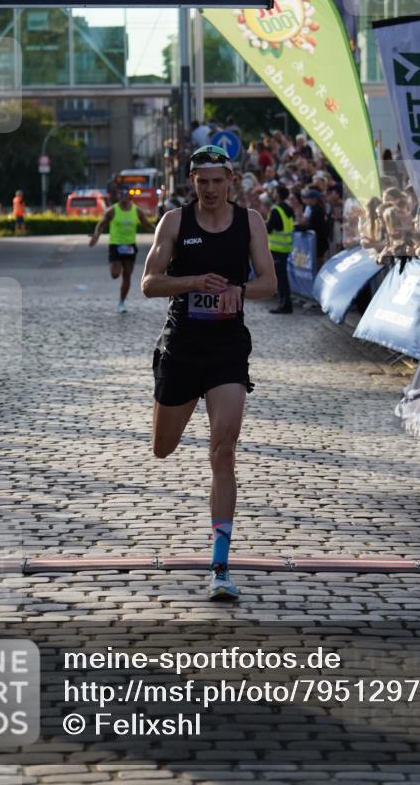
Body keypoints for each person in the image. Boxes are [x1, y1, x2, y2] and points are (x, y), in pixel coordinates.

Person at [141, 144, 277, 601]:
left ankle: (220, 566)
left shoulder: (250, 221)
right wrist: (194, 283)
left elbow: (269, 283)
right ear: (193, 182)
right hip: (181, 347)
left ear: (231, 180)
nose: (211, 190)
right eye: (203, 182)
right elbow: (149, 283)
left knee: (224, 450)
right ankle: (173, 401)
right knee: (163, 448)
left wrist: (239, 291)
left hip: (226, 349)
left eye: (219, 181)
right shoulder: (175, 222)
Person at [89, 186, 153, 312]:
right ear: (118, 197)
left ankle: (121, 302)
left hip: (130, 246)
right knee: (115, 274)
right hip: (116, 245)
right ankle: (121, 298)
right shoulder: (112, 211)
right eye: (121, 195)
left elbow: (147, 225)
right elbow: (101, 224)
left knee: (127, 275)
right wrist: (96, 236)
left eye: (126, 195)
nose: (123, 198)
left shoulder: (136, 211)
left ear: (130, 197)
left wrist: (160, 233)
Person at [266, 183, 295, 314]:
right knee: (282, 277)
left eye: (274, 191)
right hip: (286, 248)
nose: (272, 193)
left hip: (277, 249)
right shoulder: (289, 208)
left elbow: (269, 228)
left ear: (278, 195)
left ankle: (285, 304)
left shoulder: (276, 210)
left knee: (281, 278)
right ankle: (285, 303)